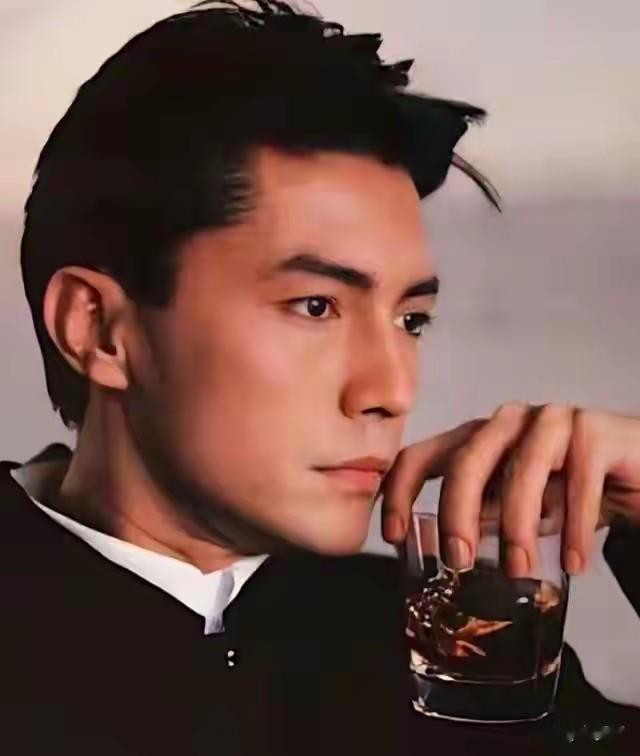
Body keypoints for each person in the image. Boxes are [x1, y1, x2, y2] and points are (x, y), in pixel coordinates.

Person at [4, 1, 640, 754]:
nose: (391, 391)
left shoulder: (456, 649)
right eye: (315, 306)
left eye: (412, 320)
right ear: (99, 329)